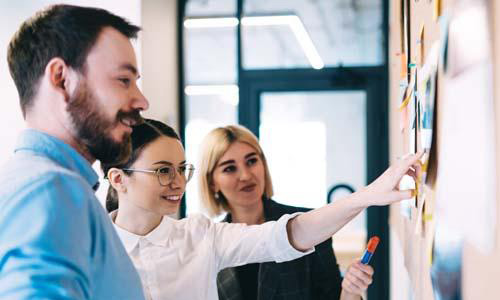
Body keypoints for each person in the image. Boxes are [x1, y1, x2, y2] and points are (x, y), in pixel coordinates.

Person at [103, 119, 422, 300]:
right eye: (162, 171)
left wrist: (366, 196)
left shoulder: (200, 236)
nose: (177, 182)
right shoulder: (86, 251)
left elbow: (290, 233)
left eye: (181, 169)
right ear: (119, 179)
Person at [0, 4, 149, 299]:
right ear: (61, 79)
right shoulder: (52, 188)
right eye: (123, 80)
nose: (141, 101)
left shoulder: (26, 180)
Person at [198, 125, 371, 300]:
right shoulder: (209, 244)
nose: (245, 175)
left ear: (263, 165)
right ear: (212, 183)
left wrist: (351, 291)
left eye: (251, 161)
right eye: (229, 168)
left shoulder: (308, 226)